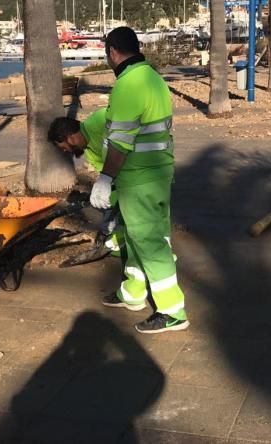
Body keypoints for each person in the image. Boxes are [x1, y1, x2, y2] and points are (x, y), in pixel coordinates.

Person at [90, 27, 187, 334]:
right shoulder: (154, 79)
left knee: (149, 242)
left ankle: (172, 310)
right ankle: (133, 293)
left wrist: (105, 177)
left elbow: (120, 141)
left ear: (112, 52)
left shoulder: (127, 85)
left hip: (138, 178)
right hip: (159, 173)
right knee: (136, 236)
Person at [48, 108, 126, 257]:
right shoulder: (89, 152)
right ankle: (119, 238)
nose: (66, 151)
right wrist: (106, 227)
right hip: (129, 177)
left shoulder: (100, 120)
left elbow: (124, 140)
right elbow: (111, 179)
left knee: (141, 216)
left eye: (64, 147)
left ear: (70, 137)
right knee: (115, 201)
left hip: (146, 168)